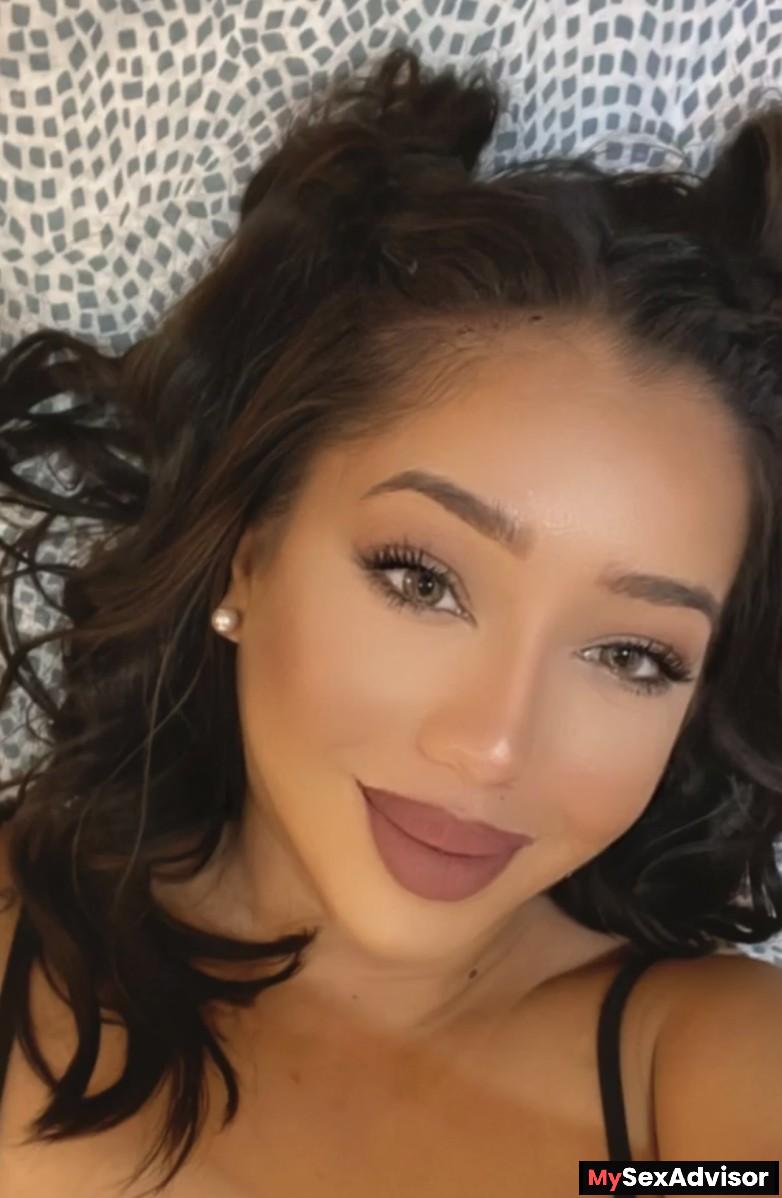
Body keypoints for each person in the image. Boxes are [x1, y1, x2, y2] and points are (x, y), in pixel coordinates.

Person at [0, 46, 781, 1198]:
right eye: (420, 580)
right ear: (249, 550)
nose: (492, 746)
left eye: (631, 654)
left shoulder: (694, 1097)